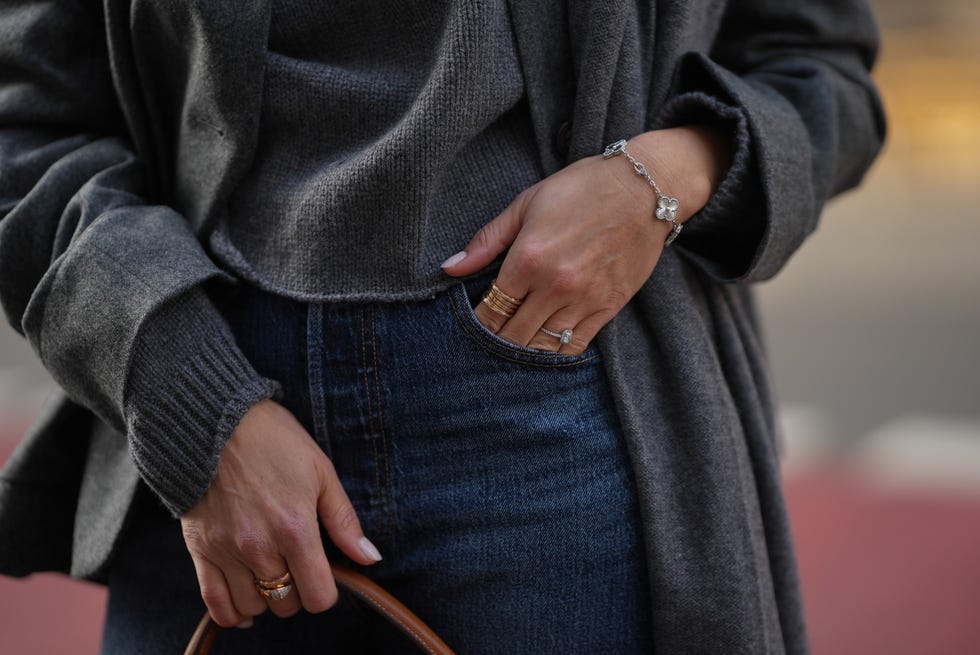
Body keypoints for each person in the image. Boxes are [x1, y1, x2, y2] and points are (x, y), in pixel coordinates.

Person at [0, 1, 885, 653]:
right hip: (212, 440)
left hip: (562, 417)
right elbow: (24, 120)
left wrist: (665, 176)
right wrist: (191, 402)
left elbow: (819, 66)